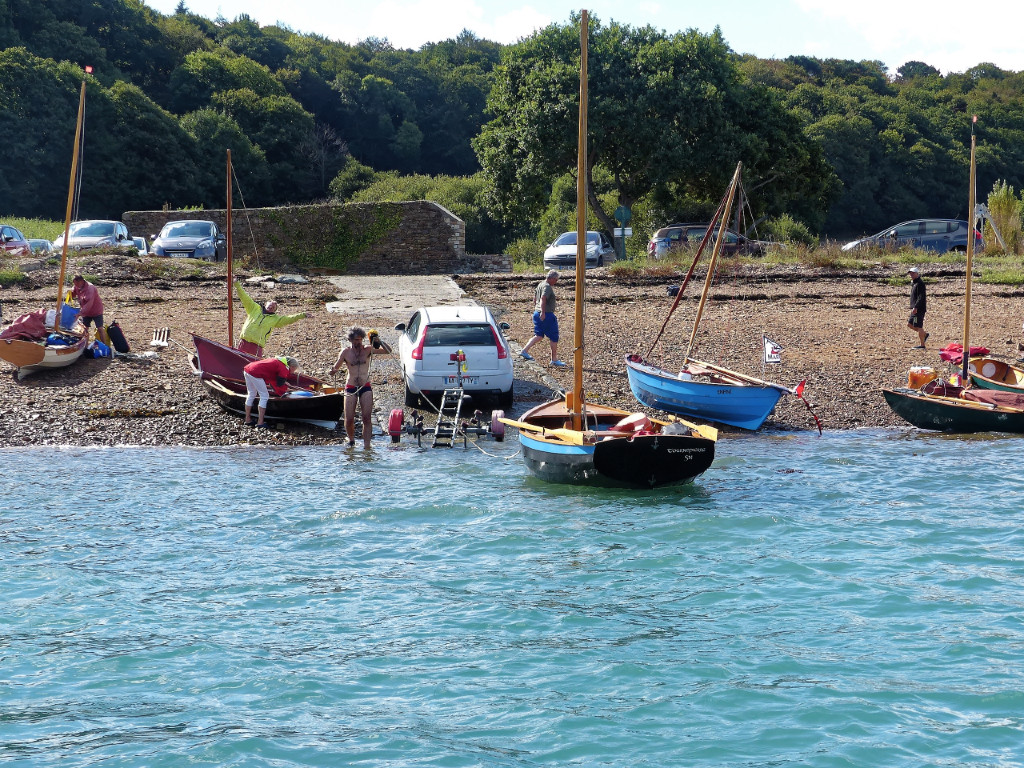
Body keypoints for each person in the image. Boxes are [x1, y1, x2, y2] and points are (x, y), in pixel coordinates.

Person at [329, 326, 392, 447]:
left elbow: (388, 351)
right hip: (351, 386)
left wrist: (380, 341)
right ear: (350, 340)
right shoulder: (345, 352)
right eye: (356, 340)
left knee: (367, 417)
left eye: (360, 339)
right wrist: (332, 371)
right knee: (349, 418)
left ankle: (367, 445)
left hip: (365, 386)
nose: (358, 342)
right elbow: (336, 367)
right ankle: (351, 440)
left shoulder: (368, 350)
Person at [235, 281, 310, 357]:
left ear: (275, 310)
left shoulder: (276, 319)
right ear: (265, 304)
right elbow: (244, 297)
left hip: (257, 346)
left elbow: (289, 319)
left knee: (254, 366)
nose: (271, 307)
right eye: (270, 305)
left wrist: (302, 315)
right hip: (243, 342)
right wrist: (236, 284)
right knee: (237, 361)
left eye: (273, 307)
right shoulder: (254, 308)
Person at [520, 270, 566, 367]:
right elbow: (543, 298)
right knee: (554, 337)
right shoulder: (547, 287)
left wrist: (537, 310)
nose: (556, 282)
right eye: (556, 280)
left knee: (539, 335)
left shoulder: (540, 284)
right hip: (546, 314)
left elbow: (535, 299)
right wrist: (543, 312)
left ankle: (524, 350)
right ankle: (554, 360)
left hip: (536, 313)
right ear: (552, 278)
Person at [242, 355, 300, 428]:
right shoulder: (284, 368)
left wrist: (284, 382)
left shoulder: (277, 361)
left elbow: (274, 378)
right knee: (264, 396)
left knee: (251, 394)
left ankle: (247, 420)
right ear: (292, 366)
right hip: (255, 373)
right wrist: (285, 390)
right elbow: (279, 384)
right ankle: (260, 422)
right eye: (294, 369)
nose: (293, 372)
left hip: (248, 369)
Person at [71, 275, 105, 342]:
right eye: (75, 284)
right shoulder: (77, 286)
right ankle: (85, 345)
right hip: (86, 312)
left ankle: (105, 345)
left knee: (100, 328)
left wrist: (80, 313)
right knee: (85, 329)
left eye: (77, 283)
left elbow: (89, 303)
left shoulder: (90, 288)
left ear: (81, 281)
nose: (76, 285)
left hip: (96, 310)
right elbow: (73, 292)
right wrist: (70, 292)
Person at [907, 266, 929, 349]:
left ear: (917, 274)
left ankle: (922, 345)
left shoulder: (920, 283)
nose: (911, 275)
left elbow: (921, 297)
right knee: (910, 324)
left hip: (919, 308)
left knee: (919, 326)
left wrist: (916, 307)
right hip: (915, 308)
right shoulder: (914, 283)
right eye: (910, 273)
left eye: (913, 273)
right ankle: (925, 334)